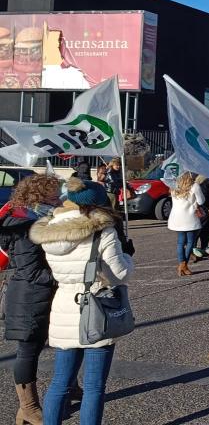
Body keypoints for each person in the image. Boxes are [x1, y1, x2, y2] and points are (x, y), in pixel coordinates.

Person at [30, 177, 133, 425]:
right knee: (94, 387)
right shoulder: (103, 231)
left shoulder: (50, 233)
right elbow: (121, 274)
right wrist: (128, 255)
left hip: (65, 304)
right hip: (96, 308)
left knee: (60, 383)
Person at [1, 174, 61, 425]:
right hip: (28, 295)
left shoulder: (36, 219)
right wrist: (63, 275)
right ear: (39, 197)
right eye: (54, 195)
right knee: (28, 350)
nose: (59, 199)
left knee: (47, 345)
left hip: (37, 293)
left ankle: (69, 390)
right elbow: (31, 270)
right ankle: (29, 407)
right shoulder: (25, 224)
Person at [167, 172, 205, 277]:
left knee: (180, 242)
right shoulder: (194, 185)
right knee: (190, 242)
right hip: (189, 217)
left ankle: (182, 264)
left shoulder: (173, 185)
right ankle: (184, 265)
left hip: (176, 217)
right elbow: (201, 201)